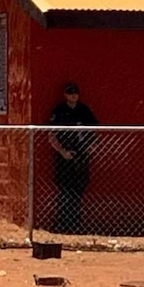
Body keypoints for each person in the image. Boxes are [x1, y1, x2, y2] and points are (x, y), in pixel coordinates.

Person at [48, 82, 98, 234]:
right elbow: (51, 135)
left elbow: (95, 130)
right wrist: (62, 152)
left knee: (78, 190)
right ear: (65, 95)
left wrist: (91, 148)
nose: (73, 96)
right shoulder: (59, 111)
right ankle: (62, 224)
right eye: (70, 93)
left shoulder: (84, 110)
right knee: (64, 190)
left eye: (75, 93)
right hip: (64, 156)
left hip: (81, 156)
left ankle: (75, 224)